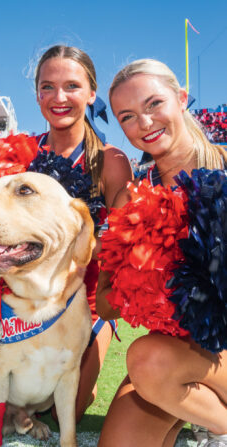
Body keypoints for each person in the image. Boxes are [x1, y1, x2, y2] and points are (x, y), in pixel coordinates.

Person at [96, 58, 227, 447]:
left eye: (154, 104)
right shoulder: (129, 198)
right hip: (170, 356)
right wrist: (149, 287)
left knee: (148, 358)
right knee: (148, 363)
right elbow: (104, 303)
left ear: (181, 98)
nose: (146, 123)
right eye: (128, 116)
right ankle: (214, 422)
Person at [33, 45, 132, 421]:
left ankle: (91, 350)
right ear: (37, 93)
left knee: (65, 414)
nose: (59, 98)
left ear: (92, 93)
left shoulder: (111, 161)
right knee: (10, 402)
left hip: (86, 303)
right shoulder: (19, 154)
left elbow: (119, 248)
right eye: (47, 87)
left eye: (72, 86)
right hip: (26, 301)